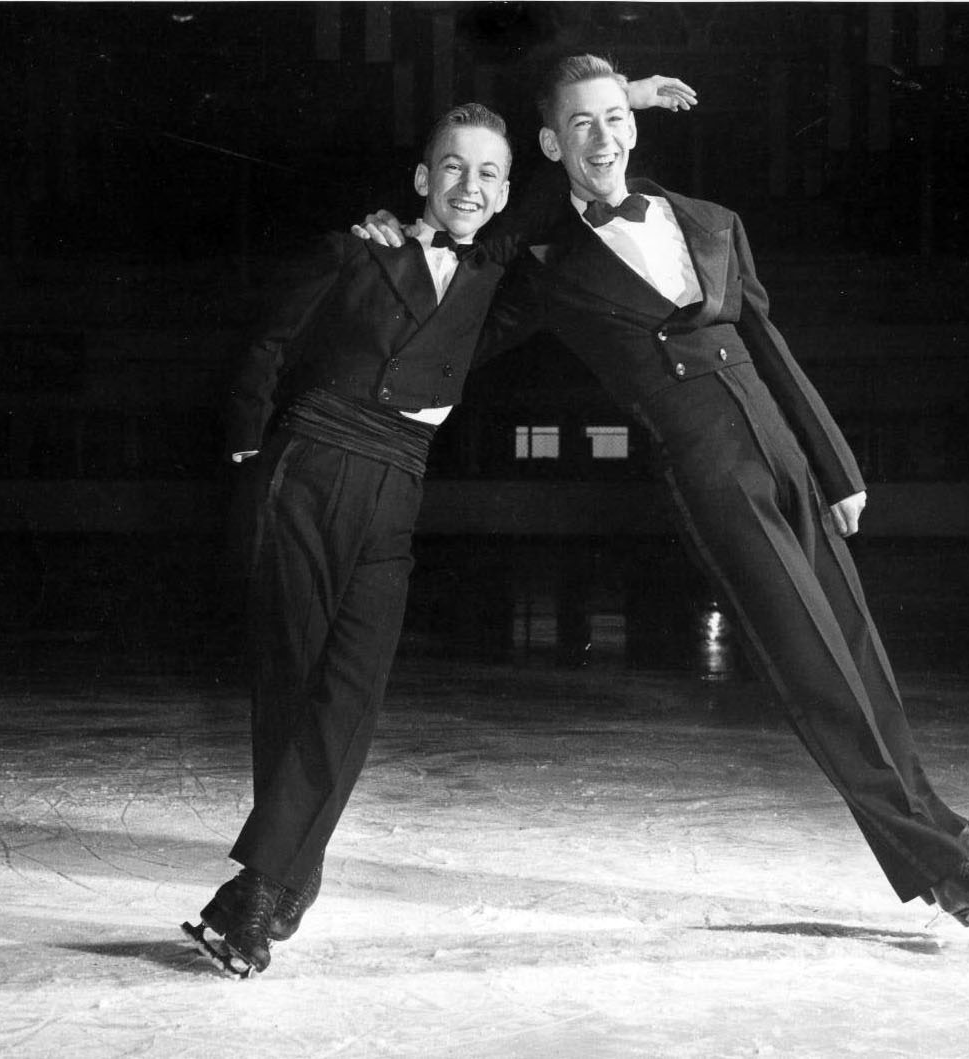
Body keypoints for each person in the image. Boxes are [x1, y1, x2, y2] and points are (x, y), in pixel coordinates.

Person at [357, 54, 969, 938]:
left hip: (786, 456)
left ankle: (940, 817)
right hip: (712, 473)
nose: (601, 139)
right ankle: (942, 871)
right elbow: (469, 278)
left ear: (637, 127)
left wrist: (837, 467)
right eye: (579, 125)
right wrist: (402, 242)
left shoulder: (714, 221)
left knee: (859, 649)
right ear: (548, 144)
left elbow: (770, 346)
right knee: (815, 669)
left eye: (615, 119)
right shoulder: (548, 260)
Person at [188, 78, 700, 978]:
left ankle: (264, 886)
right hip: (311, 464)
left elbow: (565, 173)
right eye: (453, 168)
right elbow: (268, 344)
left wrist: (624, 96)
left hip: (400, 484)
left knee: (352, 692)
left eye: (489, 174)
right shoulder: (355, 251)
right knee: (295, 688)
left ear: (505, 190)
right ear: (422, 177)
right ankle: (269, 897)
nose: (471, 185)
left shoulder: (495, 275)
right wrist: (243, 450)